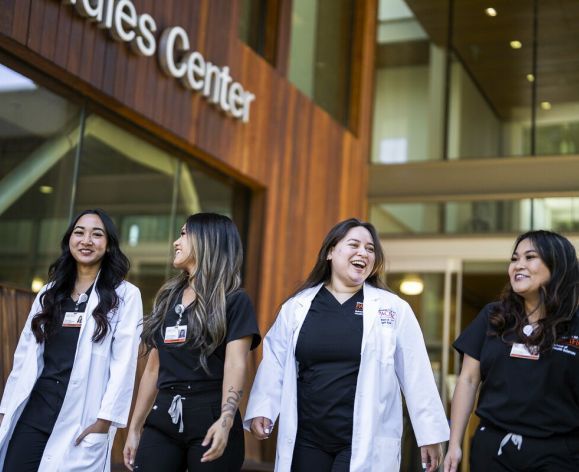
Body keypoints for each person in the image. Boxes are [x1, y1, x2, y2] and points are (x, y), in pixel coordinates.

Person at [245, 218, 449, 472]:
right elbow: (274, 360)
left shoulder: (393, 309)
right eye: (354, 244)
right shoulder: (298, 307)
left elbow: (416, 372)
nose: (363, 252)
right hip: (307, 438)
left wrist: (429, 434)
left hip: (364, 438)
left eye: (370, 249)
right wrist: (263, 408)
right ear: (331, 251)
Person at [0, 208, 143, 471]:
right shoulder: (49, 293)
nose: (86, 240)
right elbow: (24, 357)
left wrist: (104, 421)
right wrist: (6, 410)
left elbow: (124, 365)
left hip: (81, 416)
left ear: (109, 245)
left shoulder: (125, 296)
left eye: (97, 234)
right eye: (79, 233)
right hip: (35, 411)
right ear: (69, 240)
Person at [123, 213, 261, 471]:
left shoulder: (234, 300)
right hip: (163, 415)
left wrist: (226, 420)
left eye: (184, 234)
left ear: (208, 241)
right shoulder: (168, 298)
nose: (176, 241)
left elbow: (235, 364)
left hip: (210, 416)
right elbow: (153, 368)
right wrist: (134, 427)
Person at [444, 230, 579, 472]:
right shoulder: (493, 316)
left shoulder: (575, 323)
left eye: (529, 257)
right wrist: (454, 443)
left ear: (557, 265)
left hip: (559, 453)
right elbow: (468, 379)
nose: (518, 265)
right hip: (494, 450)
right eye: (514, 259)